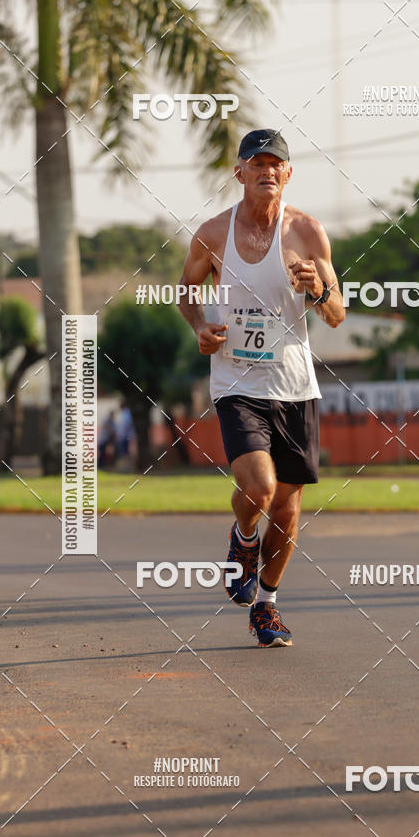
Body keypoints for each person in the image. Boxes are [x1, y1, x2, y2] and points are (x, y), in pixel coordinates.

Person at [179, 128, 345, 647]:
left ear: (288, 174)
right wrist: (201, 327)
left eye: (277, 164)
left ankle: (267, 606)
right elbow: (186, 293)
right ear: (240, 173)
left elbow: (337, 315)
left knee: (290, 508)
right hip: (237, 382)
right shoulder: (212, 234)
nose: (268, 171)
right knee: (259, 489)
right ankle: (243, 536)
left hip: (295, 385)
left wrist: (316, 288)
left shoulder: (308, 233)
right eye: (258, 163)